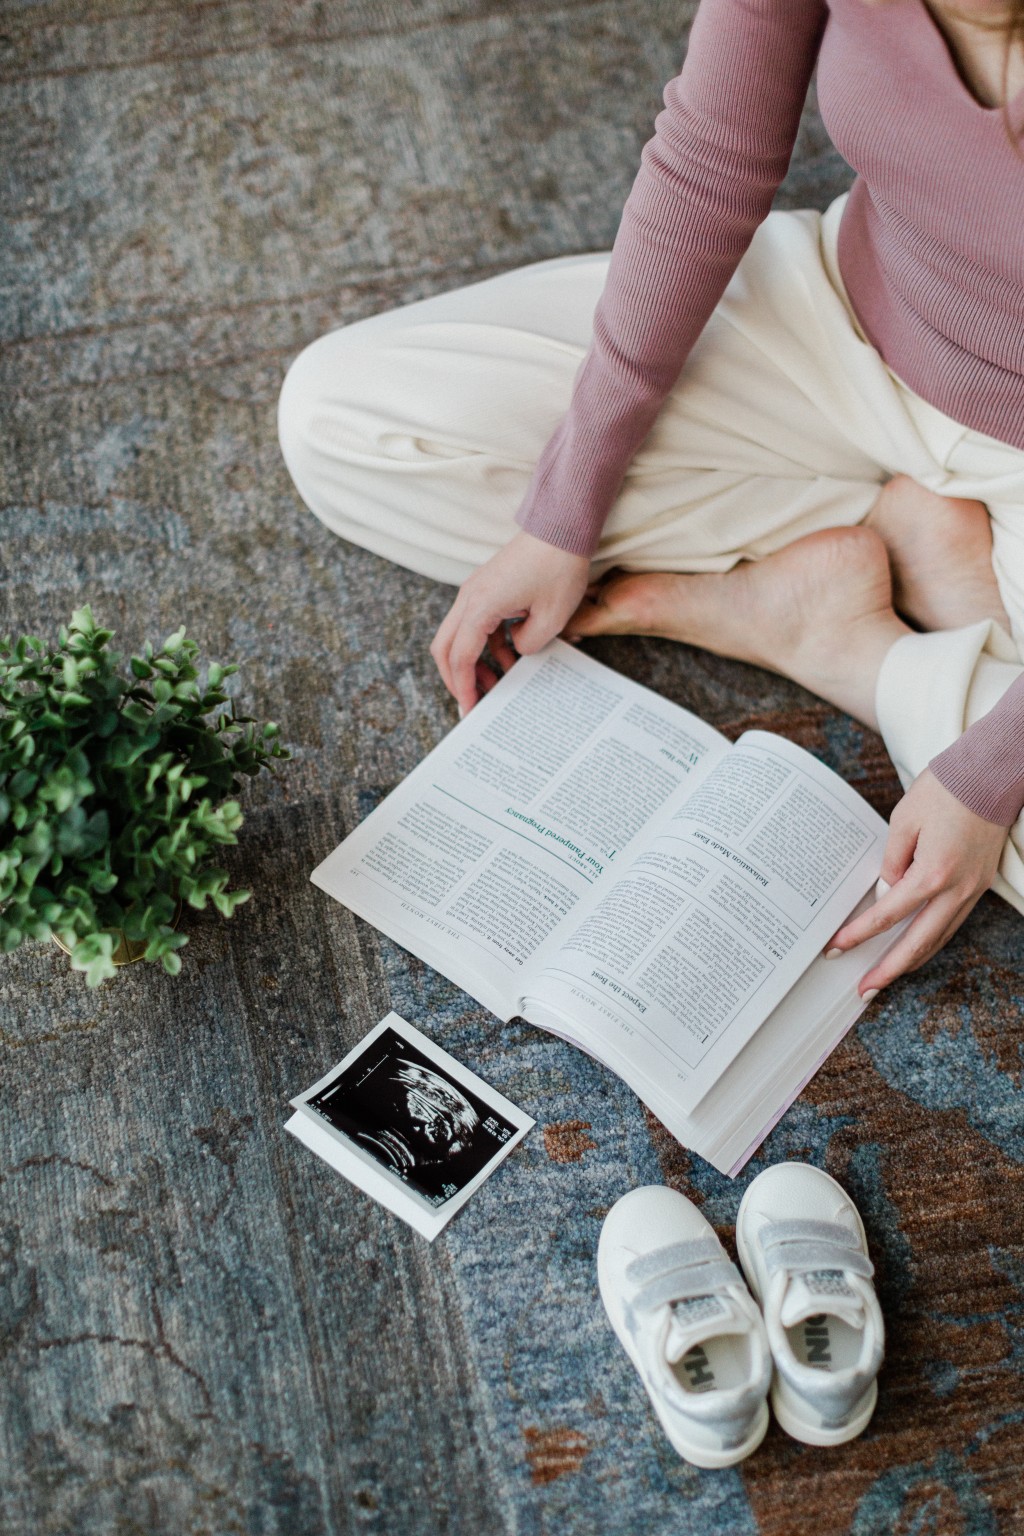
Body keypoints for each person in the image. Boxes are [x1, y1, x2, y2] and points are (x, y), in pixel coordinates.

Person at [277, 0, 1024, 1000]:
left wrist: (985, 778)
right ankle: (933, 565)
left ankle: (848, 642)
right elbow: (711, 161)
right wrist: (565, 507)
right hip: (840, 326)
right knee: (344, 423)